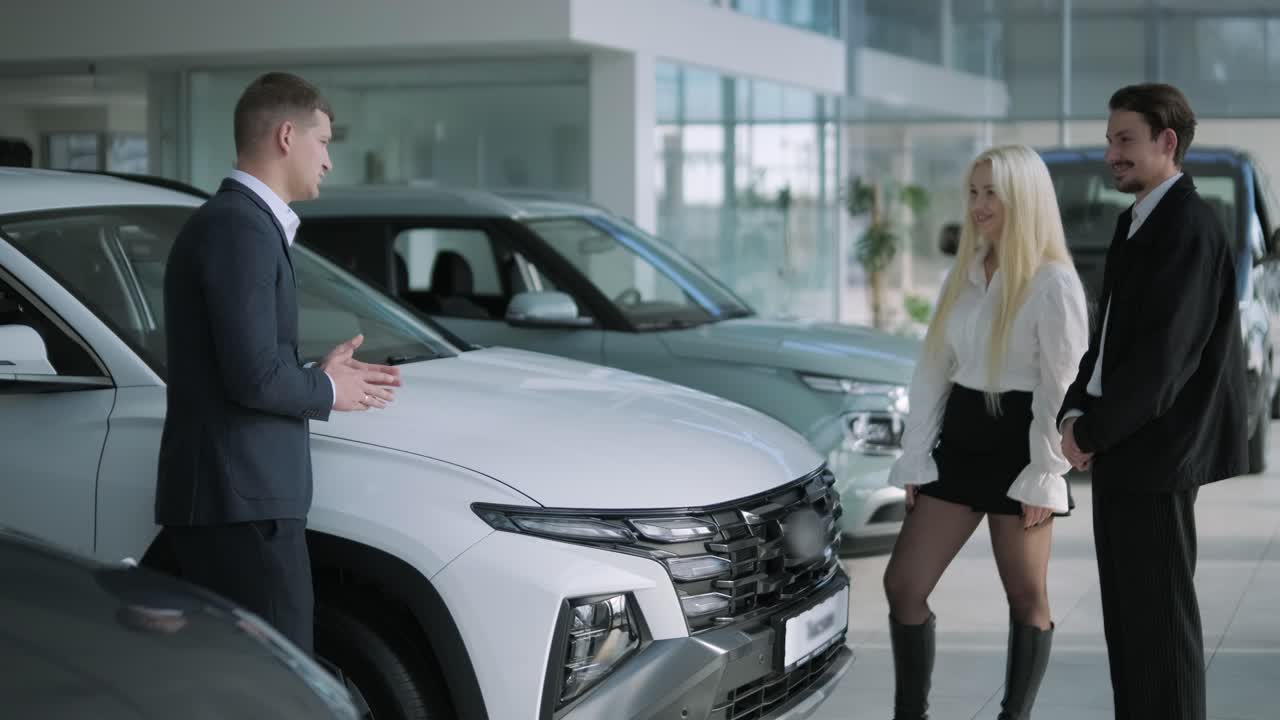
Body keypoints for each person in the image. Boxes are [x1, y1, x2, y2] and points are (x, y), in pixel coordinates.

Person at [155, 72, 401, 655]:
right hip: (242, 506)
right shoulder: (239, 228)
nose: (329, 162)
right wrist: (325, 388)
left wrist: (319, 371)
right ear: (287, 136)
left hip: (236, 501)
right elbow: (252, 377)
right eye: (324, 143)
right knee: (279, 683)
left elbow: (242, 364)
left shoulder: (241, 225)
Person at [1058, 83, 1248, 720]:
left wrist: (1093, 431)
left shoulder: (1186, 228)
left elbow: (1164, 363)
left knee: (1160, 629)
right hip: (1126, 452)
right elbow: (1109, 338)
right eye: (1109, 138)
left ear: (1167, 143)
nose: (1111, 152)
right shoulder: (1139, 220)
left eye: (1125, 140)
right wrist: (1075, 408)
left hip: (1156, 456)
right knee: (1133, 626)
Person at [884, 144, 1089, 720]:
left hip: (1021, 447)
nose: (977, 204)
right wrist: (918, 456)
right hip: (961, 440)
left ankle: (1012, 717)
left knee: (1026, 597)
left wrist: (1045, 473)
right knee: (904, 585)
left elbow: (1061, 386)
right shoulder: (967, 274)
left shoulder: (1053, 283)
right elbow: (932, 371)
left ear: (1023, 198)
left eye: (991, 192)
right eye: (973, 192)